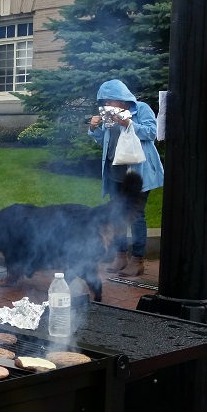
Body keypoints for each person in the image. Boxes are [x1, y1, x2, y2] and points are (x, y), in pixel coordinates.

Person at [88, 79, 164, 277]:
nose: (106, 105)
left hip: (136, 174)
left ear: (121, 99)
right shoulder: (108, 114)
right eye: (103, 101)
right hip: (115, 172)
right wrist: (94, 128)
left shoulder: (141, 109)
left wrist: (129, 123)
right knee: (116, 215)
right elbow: (105, 139)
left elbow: (151, 133)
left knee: (136, 215)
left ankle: (137, 259)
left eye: (109, 101)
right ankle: (120, 256)